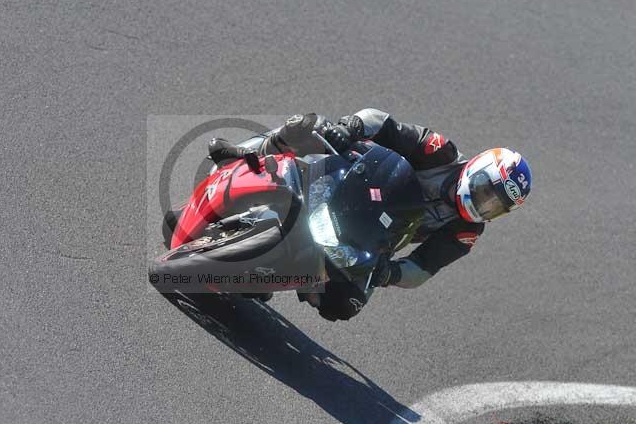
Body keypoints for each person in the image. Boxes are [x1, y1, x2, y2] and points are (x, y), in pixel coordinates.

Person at [206, 109, 532, 322]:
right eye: (486, 192)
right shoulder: (439, 152)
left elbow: (423, 268)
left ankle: (272, 277)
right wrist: (350, 128)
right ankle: (249, 152)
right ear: (476, 170)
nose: (483, 204)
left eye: (495, 207)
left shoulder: (468, 230)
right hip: (349, 178)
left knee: (342, 305)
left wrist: (388, 273)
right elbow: (383, 122)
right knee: (310, 127)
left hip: (368, 238)